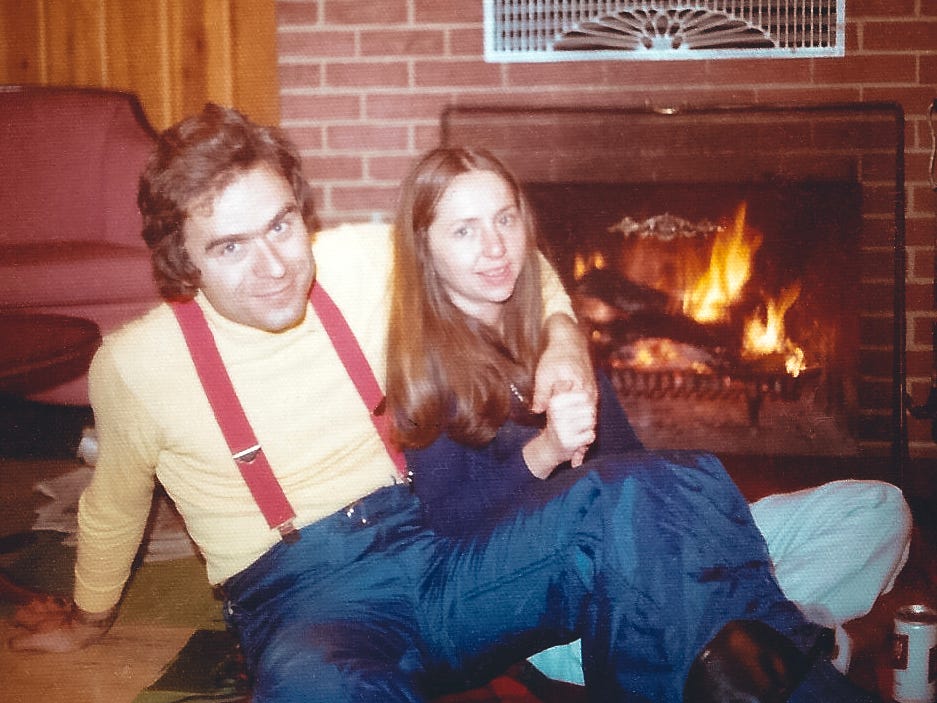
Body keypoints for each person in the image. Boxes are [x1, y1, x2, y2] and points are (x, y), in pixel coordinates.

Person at [5, 105, 871, 703]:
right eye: (229, 246)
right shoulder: (136, 364)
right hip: (304, 603)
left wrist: (564, 345)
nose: (273, 266)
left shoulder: (356, 260)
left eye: (280, 225)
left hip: (438, 558)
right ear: (182, 260)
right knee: (319, 687)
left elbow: (518, 261)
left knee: (653, 487)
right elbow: (114, 503)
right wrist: (89, 618)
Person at [385, 146, 911, 692]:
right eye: (464, 231)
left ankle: (749, 640)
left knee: (878, 510)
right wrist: (545, 451)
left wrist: (708, 528)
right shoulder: (424, 368)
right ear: (425, 248)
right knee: (673, 548)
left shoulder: (557, 343)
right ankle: (767, 643)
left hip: (653, 554)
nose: (495, 247)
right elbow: (447, 530)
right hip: (564, 608)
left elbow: (633, 468)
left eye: (504, 219)